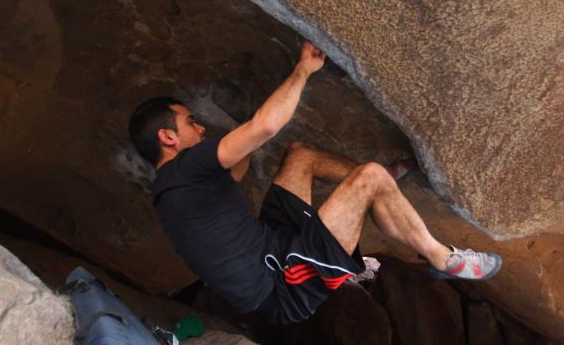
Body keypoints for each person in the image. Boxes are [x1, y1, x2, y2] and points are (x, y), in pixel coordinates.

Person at [128, 40, 501, 326]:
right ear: (168, 137)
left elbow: (237, 170)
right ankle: (442, 257)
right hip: (284, 284)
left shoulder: (174, 189)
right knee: (369, 175)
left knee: (299, 155)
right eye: (190, 121)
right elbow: (267, 126)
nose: (200, 126)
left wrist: (249, 135)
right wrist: (303, 70)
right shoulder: (186, 169)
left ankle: (382, 190)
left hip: (274, 244)